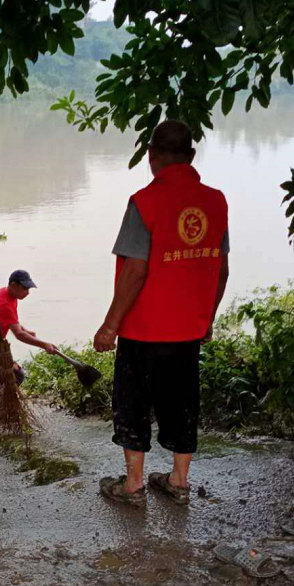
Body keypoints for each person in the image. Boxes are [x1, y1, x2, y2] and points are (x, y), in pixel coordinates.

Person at [93, 119, 231, 507]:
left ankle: (134, 484)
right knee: (183, 401)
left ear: (152, 156)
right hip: (188, 330)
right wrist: (208, 319)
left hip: (144, 330)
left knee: (134, 403)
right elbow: (221, 270)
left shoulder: (145, 203)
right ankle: (178, 480)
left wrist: (109, 325)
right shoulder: (216, 201)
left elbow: (136, 270)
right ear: (190, 156)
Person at [0, 269, 58, 386]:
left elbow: (12, 321)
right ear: (13, 285)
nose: (27, 292)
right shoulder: (4, 303)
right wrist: (44, 345)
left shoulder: (8, 294)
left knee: (5, 375)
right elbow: (18, 334)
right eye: (25, 288)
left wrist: (26, 331)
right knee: (16, 375)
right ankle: (0, 400)